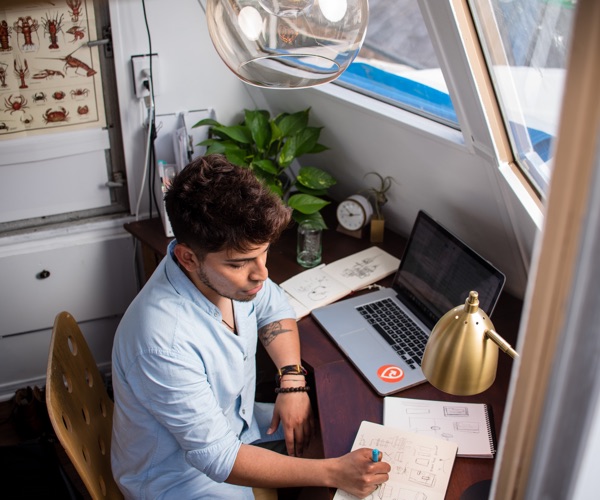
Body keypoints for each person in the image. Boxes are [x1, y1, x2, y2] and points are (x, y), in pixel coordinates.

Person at [111, 154, 390, 498]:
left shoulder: (226, 277)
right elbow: (219, 458)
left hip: (237, 425)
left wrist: (292, 381)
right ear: (187, 257)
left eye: (264, 253)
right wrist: (335, 473)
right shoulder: (162, 342)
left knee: (334, 431)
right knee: (333, 466)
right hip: (181, 479)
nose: (262, 273)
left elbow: (273, 304)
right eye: (241, 263)